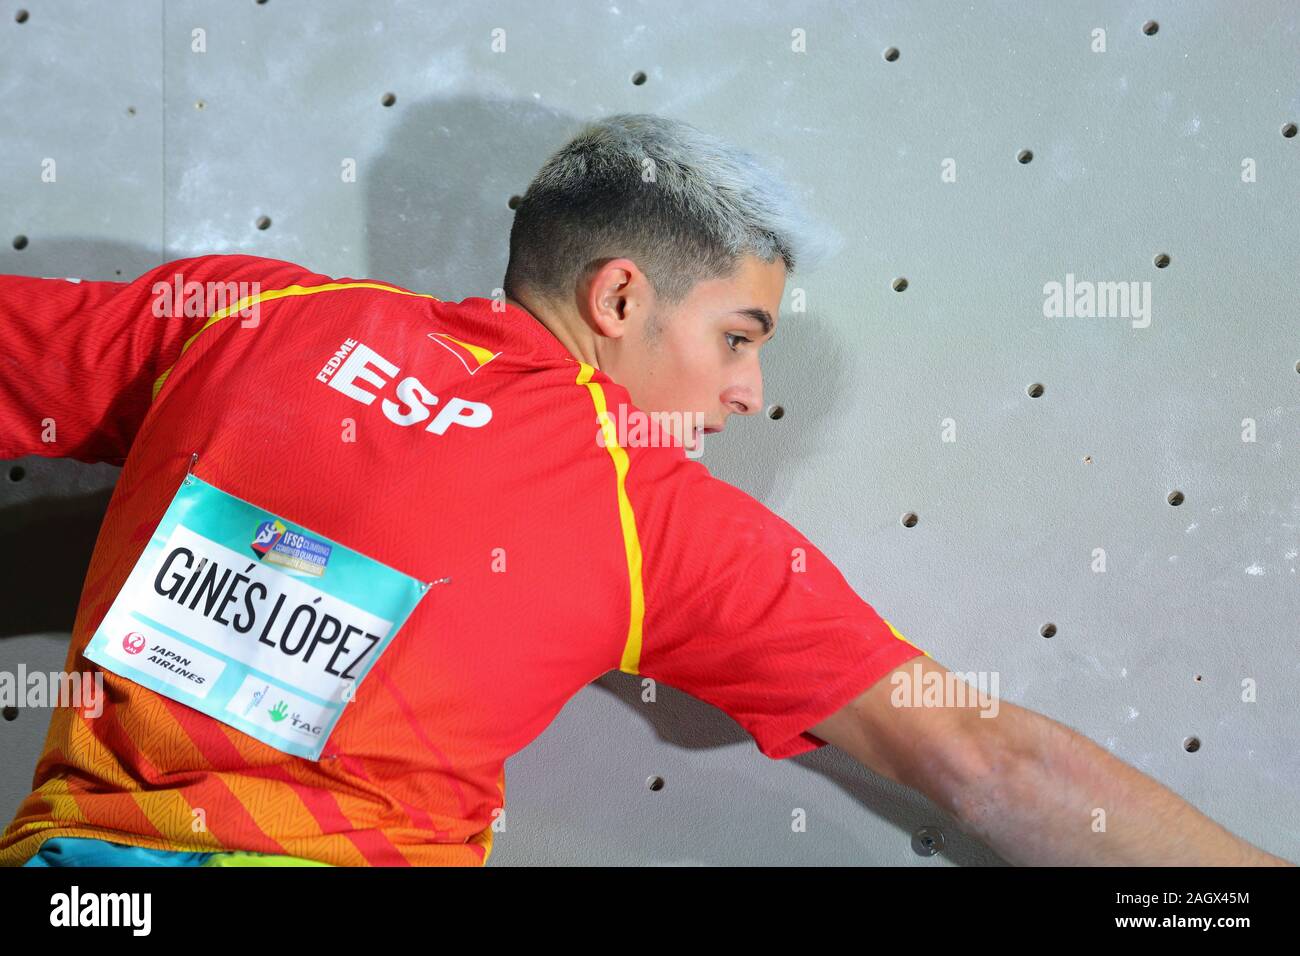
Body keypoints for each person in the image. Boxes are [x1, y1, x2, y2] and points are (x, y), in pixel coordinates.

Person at [0, 113, 1289, 867]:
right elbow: (979, 758)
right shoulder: (649, 518)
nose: (750, 393)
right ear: (620, 297)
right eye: (738, 335)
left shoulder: (255, 315)